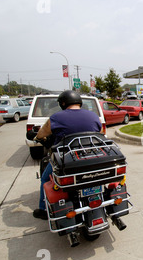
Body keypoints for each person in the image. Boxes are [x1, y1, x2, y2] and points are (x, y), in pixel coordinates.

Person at [33, 90, 102, 220]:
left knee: (45, 178)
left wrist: (37, 137)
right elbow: (100, 133)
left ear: (63, 103)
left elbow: (41, 135)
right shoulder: (94, 116)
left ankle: (43, 209)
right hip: (91, 157)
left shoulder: (56, 118)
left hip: (67, 160)